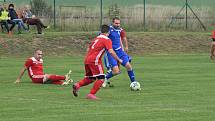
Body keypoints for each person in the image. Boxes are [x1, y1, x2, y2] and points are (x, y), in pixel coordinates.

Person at [72, 24, 123, 100]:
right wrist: (118, 59)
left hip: (87, 60)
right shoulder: (107, 39)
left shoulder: (96, 39)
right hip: (94, 60)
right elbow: (111, 51)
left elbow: (88, 49)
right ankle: (91, 94)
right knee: (101, 78)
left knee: (91, 78)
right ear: (108, 32)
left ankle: (77, 85)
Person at [102, 17, 140, 88]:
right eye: (116, 23)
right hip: (111, 53)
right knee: (116, 71)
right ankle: (105, 78)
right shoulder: (108, 30)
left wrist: (126, 47)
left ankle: (133, 82)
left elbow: (124, 38)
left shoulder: (121, 30)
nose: (118, 25)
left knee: (129, 66)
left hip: (120, 52)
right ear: (112, 23)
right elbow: (101, 37)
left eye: (119, 23)